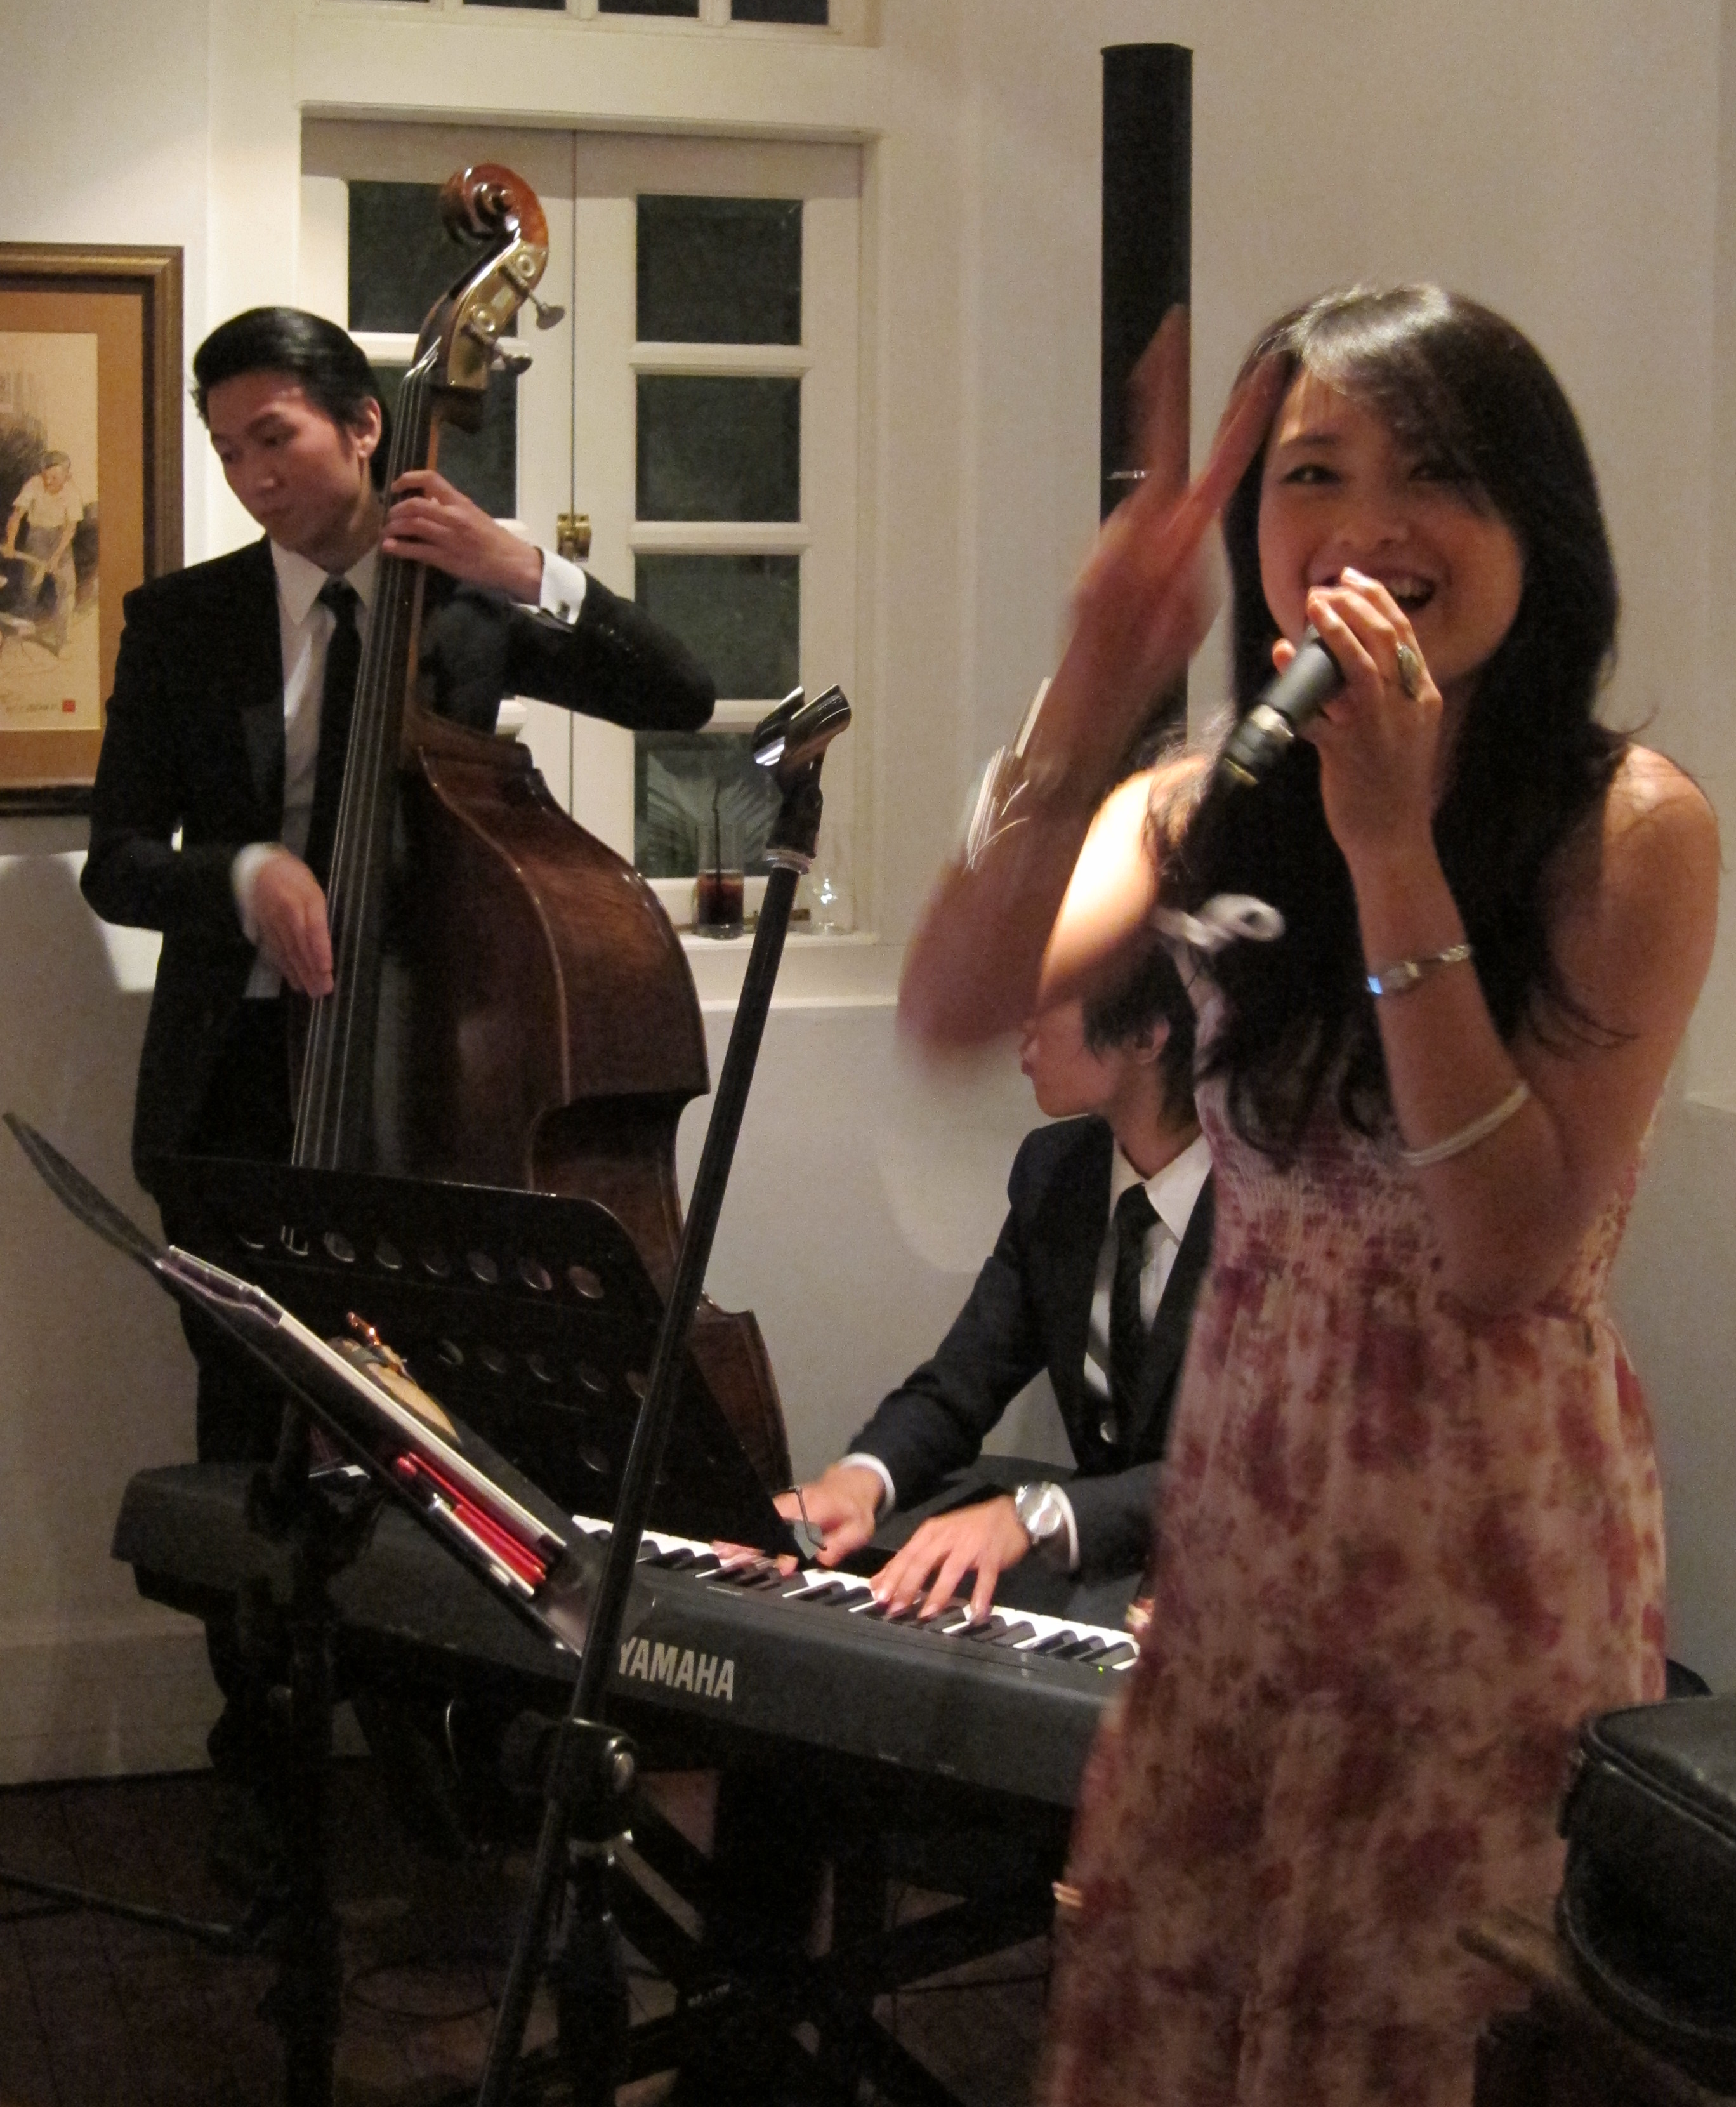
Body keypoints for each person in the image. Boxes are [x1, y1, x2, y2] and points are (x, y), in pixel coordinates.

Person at [899, 287, 1719, 2105]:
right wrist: (1094, 675)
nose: (1367, 526)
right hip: (1240, 1552)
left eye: (1435, 474)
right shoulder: (1203, 798)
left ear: (1533, 522)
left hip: (1478, 1576)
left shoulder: (1629, 828)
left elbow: (1503, 1255)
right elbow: (954, 1006)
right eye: (1313, 475)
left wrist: (1391, 846)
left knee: (1405, 2045)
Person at [81, 305, 713, 1809]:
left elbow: (681, 693)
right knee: (252, 1419)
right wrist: (244, 874)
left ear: (365, 424)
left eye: (275, 438)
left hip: (429, 1076)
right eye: (227, 450)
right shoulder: (183, 623)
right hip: (242, 1075)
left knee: (447, 1415)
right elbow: (117, 860)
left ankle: (452, 1736)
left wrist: (525, 566)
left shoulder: (461, 601)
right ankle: (265, 1749)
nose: (252, 476)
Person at [783, 941, 1212, 1628]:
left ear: (1146, 1036)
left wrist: (1039, 1514)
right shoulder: (1057, 1170)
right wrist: (862, 1479)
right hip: (1107, 1575)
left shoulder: (1276, 1204)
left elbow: (1257, 1465)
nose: (1023, 1024)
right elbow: (963, 1382)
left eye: (1051, 998)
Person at [3, 450, 85, 649]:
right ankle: (23, 629)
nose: (48, 482)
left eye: (54, 478)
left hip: (61, 538)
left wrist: (56, 558)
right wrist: (10, 544)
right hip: (37, 536)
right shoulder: (34, 484)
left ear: (67, 476)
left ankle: (64, 641)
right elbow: (16, 517)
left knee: (66, 588)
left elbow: (70, 530)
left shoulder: (72, 494)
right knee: (31, 586)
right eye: (45, 476)